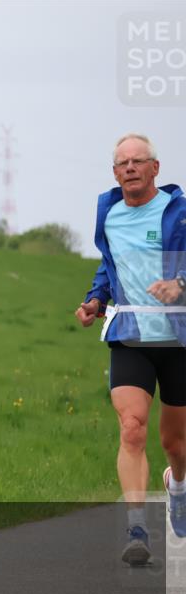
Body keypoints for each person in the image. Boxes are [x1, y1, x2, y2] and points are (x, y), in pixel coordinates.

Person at [75, 133, 186, 565]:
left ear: (155, 168)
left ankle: (177, 486)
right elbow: (110, 263)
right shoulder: (110, 214)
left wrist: (178, 285)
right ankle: (136, 526)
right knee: (132, 427)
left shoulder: (178, 213)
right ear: (115, 172)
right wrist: (96, 299)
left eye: (138, 161)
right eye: (122, 163)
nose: (130, 168)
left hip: (178, 336)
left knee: (176, 444)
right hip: (130, 333)